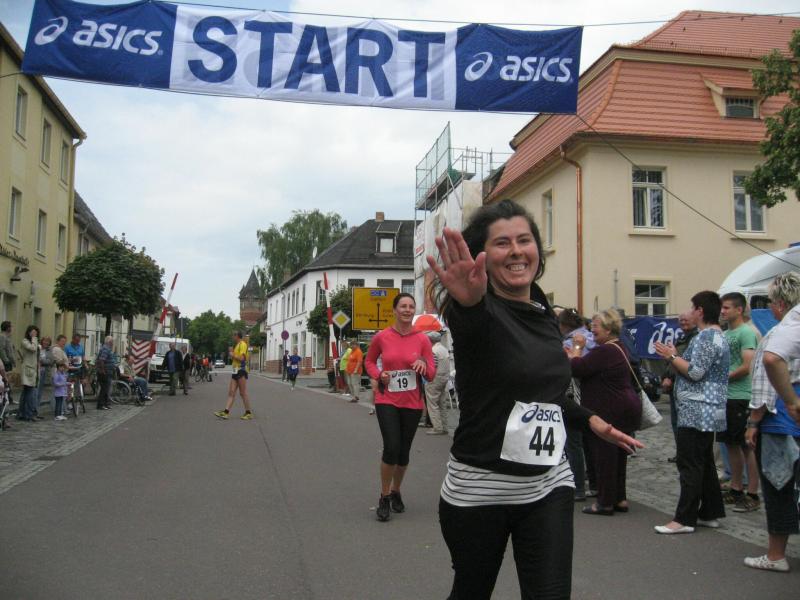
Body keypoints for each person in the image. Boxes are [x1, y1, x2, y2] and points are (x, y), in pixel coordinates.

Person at [426, 199, 642, 598]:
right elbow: (471, 320)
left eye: (524, 240)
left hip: (547, 484)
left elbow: (544, 394)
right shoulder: (477, 311)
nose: (516, 251)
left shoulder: (542, 310)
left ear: (537, 249)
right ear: (482, 256)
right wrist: (469, 301)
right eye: (502, 243)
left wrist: (591, 420)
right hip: (481, 488)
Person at [654, 291, 730, 534]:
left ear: (700, 311)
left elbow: (696, 372)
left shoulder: (707, 337)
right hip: (705, 408)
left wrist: (671, 356)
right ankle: (710, 512)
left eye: (692, 307)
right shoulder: (715, 336)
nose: (689, 311)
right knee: (704, 462)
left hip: (697, 409)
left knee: (689, 464)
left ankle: (684, 519)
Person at [744, 272, 800, 572]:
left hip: (781, 420)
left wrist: (754, 422)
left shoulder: (781, 332)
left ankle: (776, 555)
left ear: (779, 303)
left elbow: (766, 379)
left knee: (778, 486)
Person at [365, 292, 436, 522]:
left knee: (404, 452)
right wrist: (379, 374)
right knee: (391, 447)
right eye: (403, 306)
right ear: (395, 310)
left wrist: (423, 365)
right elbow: (369, 361)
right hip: (387, 400)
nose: (407, 310)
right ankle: (384, 496)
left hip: (412, 403)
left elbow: (431, 373)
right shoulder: (382, 336)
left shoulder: (422, 339)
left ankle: (396, 491)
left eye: (411, 306)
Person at [567, 308, 642, 515]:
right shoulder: (618, 347)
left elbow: (577, 368)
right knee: (618, 456)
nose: (592, 330)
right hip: (623, 407)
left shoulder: (606, 350)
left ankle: (605, 502)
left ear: (608, 329)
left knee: (604, 456)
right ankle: (619, 498)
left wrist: (577, 347)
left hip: (609, 409)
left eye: (596, 326)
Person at [719, 292, 761, 512]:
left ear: (739, 309)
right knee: (730, 444)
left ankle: (752, 493)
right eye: (722, 307)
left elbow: (747, 366)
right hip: (726, 396)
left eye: (727, 308)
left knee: (746, 446)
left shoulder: (746, 332)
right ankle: (736, 488)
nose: (723, 311)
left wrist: (722, 377)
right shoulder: (725, 334)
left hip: (741, 396)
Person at [558, 308, 596, 501]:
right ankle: (594, 485)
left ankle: (578, 487)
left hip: (574, 395)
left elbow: (571, 368)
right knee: (589, 442)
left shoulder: (570, 343)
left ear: (563, 325)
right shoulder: (593, 338)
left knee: (573, 443)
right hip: (593, 394)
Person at [661, 311, 699, 461]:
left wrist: (670, 377)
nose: (683, 323)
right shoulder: (682, 338)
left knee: (684, 423)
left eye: (686, 320)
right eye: (681, 320)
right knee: (676, 422)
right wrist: (666, 376)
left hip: (686, 386)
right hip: (675, 386)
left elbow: (682, 361)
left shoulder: (696, 339)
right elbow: (671, 361)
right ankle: (681, 453)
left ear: (694, 320)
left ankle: (686, 455)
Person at [214, 331, 253, 420]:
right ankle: (226, 412)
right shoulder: (237, 345)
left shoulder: (242, 344)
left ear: (237, 336)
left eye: (233, 335)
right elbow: (235, 358)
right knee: (231, 392)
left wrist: (232, 354)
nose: (232, 337)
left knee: (243, 393)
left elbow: (242, 358)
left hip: (241, 370)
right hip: (235, 371)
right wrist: (231, 354)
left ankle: (248, 413)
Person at [424, 331, 451, 435]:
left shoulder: (433, 350)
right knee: (442, 403)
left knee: (432, 403)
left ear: (430, 340)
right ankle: (445, 426)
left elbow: (432, 366)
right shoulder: (444, 349)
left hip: (434, 379)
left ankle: (437, 428)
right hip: (444, 378)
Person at [18, 325, 40, 422]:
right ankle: (28, 414)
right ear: (29, 332)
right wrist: (34, 338)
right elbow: (33, 348)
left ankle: (22, 413)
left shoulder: (35, 342)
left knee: (27, 393)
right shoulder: (25, 341)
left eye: (36, 333)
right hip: (28, 370)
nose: (34, 334)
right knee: (29, 393)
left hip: (34, 370)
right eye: (33, 332)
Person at [36, 336, 54, 419]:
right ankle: (33, 410)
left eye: (48, 341)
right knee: (35, 392)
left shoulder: (49, 351)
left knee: (39, 392)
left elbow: (50, 361)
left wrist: (42, 361)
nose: (46, 343)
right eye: (45, 341)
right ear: (42, 341)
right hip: (35, 372)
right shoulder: (38, 348)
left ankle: (36, 410)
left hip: (43, 372)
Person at [95, 336, 115, 410]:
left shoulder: (107, 348)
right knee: (104, 388)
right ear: (109, 342)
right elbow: (102, 360)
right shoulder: (106, 349)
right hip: (105, 372)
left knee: (106, 388)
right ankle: (101, 405)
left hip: (108, 371)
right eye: (112, 342)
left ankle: (106, 404)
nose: (113, 343)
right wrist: (103, 370)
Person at [0, 321, 15, 404]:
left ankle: (9, 397)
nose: (12, 328)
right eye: (11, 326)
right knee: (5, 380)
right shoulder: (2, 336)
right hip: (5, 362)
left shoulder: (8, 337)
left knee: (8, 380)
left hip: (8, 361)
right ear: (7, 327)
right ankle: (6, 398)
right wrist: (6, 360)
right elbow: (1, 349)